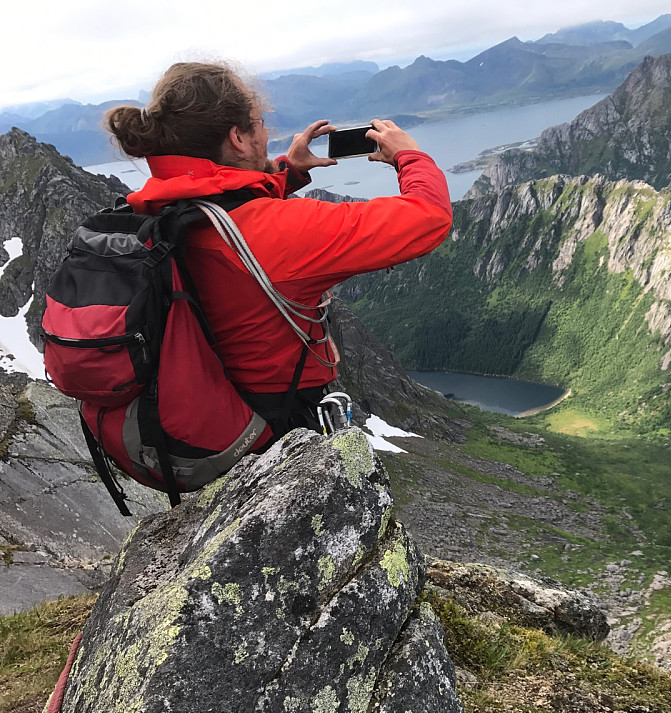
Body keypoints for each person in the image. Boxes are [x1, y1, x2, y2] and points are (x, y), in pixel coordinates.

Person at [104, 61, 452, 439]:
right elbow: (429, 218)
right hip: (277, 420)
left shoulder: (157, 208)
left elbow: (225, 205)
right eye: (260, 122)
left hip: (203, 409)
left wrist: (288, 171)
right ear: (238, 138)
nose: (267, 132)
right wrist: (410, 156)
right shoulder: (284, 232)